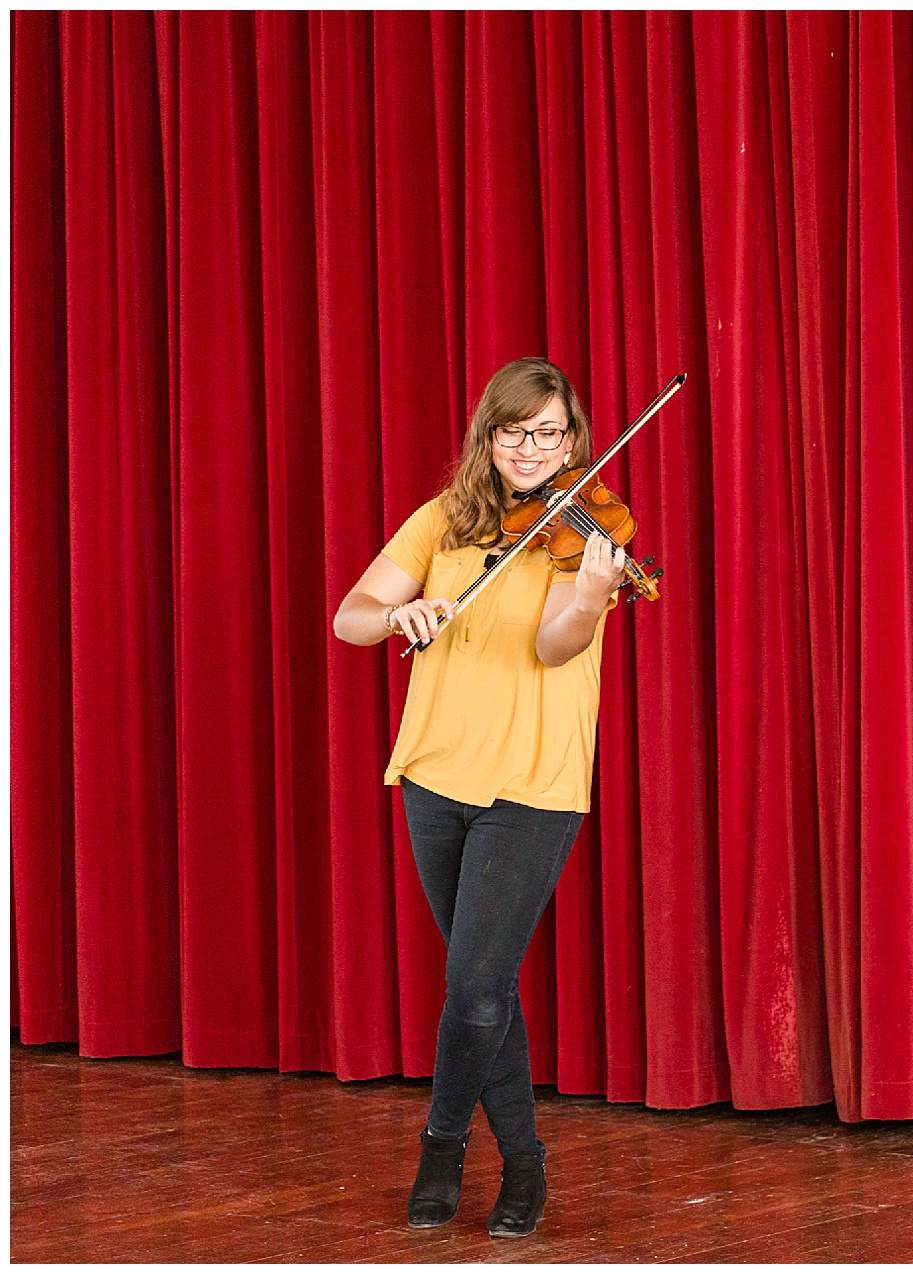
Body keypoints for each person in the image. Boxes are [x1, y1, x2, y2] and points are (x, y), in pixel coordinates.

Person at [331, 356, 631, 1238]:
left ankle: (447, 1144)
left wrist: (589, 596)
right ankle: (524, 1163)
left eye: (551, 433)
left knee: (474, 982)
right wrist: (400, 614)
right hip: (433, 773)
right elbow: (351, 615)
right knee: (487, 990)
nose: (534, 449)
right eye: (516, 431)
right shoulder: (444, 520)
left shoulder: (587, 534)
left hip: (533, 783)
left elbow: (556, 648)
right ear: (488, 436)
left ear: (573, 438)